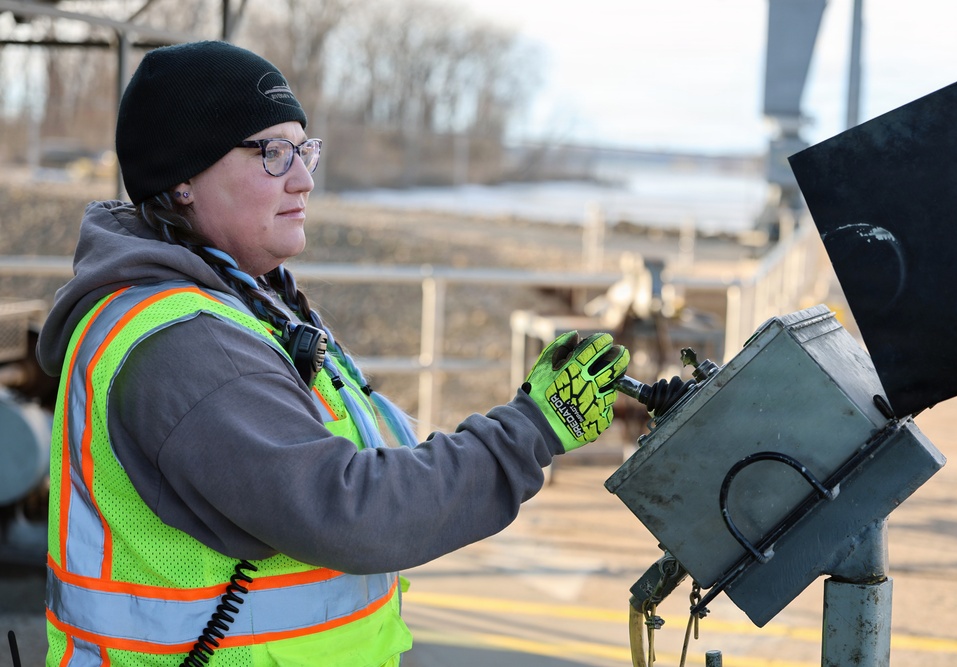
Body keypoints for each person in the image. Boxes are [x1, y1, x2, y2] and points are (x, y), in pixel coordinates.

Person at [36, 40, 630, 667]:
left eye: (304, 149)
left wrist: (521, 419)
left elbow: (383, 444)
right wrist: (529, 432)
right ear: (181, 180)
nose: (304, 178)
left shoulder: (252, 301)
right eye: (271, 153)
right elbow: (352, 510)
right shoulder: (187, 345)